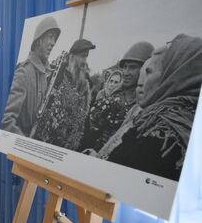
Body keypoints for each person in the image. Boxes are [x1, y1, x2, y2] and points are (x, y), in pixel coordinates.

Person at [107, 34, 202, 181]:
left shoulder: (157, 134)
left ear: (172, 76)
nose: (141, 81)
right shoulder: (188, 120)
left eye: (149, 72)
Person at [0, 16, 61, 136]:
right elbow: (6, 120)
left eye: (55, 38)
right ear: (39, 39)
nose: (53, 43)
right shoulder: (23, 73)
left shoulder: (44, 74)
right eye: (50, 36)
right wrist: (25, 143)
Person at [32, 39, 95, 151]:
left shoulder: (85, 86)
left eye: (86, 57)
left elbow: (83, 120)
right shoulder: (55, 78)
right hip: (45, 143)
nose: (85, 61)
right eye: (83, 56)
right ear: (72, 56)